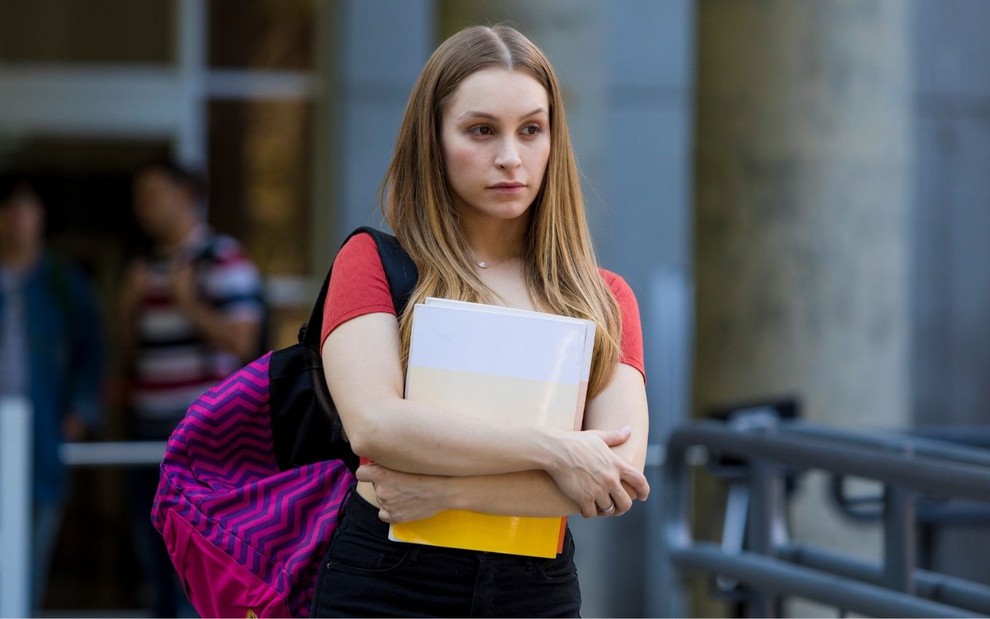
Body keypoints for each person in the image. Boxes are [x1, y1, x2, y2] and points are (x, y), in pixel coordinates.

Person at [312, 24, 650, 617]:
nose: (510, 157)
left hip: (534, 591)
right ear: (433, 139)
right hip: (385, 584)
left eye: (531, 130)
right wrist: (558, 451)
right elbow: (375, 426)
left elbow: (616, 478)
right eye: (481, 130)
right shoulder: (372, 262)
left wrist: (448, 490)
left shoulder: (603, 298)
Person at [119, 158, 265, 617]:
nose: (143, 208)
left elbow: (243, 340)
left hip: (199, 435)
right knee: (152, 553)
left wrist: (188, 302)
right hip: (147, 430)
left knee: (197, 556)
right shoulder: (146, 266)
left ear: (185, 197)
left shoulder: (223, 258)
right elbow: (128, 354)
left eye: (153, 196)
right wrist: (126, 305)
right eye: (139, 198)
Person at [0, 174, 105, 612]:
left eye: (27, 208)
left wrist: (80, 413)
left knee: (30, 560)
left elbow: (93, 352)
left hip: (43, 436)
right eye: (9, 209)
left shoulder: (63, 282)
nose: (17, 220)